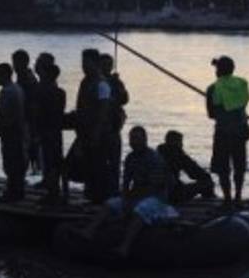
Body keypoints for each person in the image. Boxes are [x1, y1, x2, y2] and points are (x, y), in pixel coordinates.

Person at [87, 125, 177, 257]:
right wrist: (125, 199)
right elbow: (126, 182)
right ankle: (89, 231)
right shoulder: (130, 158)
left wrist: (133, 201)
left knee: (141, 209)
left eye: (136, 139)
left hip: (157, 198)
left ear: (145, 140)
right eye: (131, 139)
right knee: (110, 203)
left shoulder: (154, 159)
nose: (133, 142)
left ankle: (125, 246)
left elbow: (154, 188)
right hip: (136, 195)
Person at [64, 48, 111, 203]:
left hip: (95, 134)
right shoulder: (85, 82)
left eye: (86, 63)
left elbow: (104, 110)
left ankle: (97, 199)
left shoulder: (102, 84)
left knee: (95, 168)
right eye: (82, 63)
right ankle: (83, 196)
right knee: (73, 167)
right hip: (83, 132)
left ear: (95, 63)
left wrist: (96, 133)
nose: (83, 66)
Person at [206, 55, 249, 206]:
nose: (215, 71)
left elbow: (211, 114)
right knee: (239, 165)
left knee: (223, 167)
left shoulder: (213, 88)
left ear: (219, 71)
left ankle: (227, 199)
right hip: (241, 130)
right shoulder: (242, 84)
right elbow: (243, 105)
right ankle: (238, 197)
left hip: (223, 132)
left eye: (216, 68)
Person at [34, 57, 67, 204]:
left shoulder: (44, 91)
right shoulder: (60, 92)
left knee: (51, 162)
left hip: (47, 131)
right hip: (55, 131)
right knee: (55, 161)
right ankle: (57, 191)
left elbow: (39, 112)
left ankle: (53, 193)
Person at [0, 63, 27, 201]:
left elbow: (6, 114)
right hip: (18, 131)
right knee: (17, 162)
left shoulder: (7, 92)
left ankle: (13, 192)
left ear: (4, 75)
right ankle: (17, 190)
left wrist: (1, 127)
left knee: (11, 162)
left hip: (11, 132)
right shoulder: (18, 89)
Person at [99, 53, 128, 199]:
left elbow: (125, 99)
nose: (107, 67)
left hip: (114, 129)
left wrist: (118, 84)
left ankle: (114, 192)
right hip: (101, 129)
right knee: (100, 162)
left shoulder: (116, 81)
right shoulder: (96, 82)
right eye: (104, 64)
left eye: (109, 65)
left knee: (114, 162)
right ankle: (101, 191)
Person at [157, 130, 215, 204]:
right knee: (207, 182)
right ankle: (210, 202)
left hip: (155, 194)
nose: (182, 145)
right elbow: (196, 172)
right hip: (172, 195)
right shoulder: (178, 155)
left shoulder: (156, 154)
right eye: (180, 142)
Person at [12, 49, 40, 175]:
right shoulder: (24, 77)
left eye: (16, 63)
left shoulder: (27, 79)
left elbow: (32, 103)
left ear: (24, 62)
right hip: (26, 119)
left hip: (27, 120)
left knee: (25, 151)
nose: (14, 66)